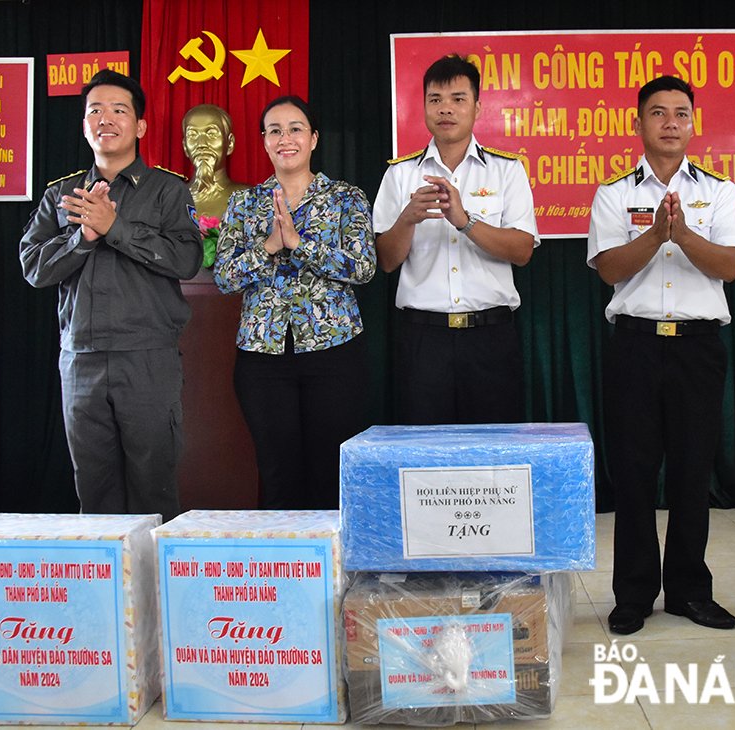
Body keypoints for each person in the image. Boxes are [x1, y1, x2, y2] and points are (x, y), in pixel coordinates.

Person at [586, 76, 735, 635]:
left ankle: (688, 591)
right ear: (638, 123)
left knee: (691, 472)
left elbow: (730, 266)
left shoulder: (719, 191)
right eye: (657, 113)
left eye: (680, 113)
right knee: (633, 474)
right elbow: (609, 269)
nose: (669, 123)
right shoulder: (614, 194)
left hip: (697, 349)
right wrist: (656, 234)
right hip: (634, 346)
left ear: (692, 124)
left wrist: (680, 234)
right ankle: (633, 594)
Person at [20, 69, 203, 520]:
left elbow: (186, 261)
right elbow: (33, 268)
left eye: (119, 110)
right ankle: (108, 590)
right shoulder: (61, 194)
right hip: (81, 359)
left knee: (153, 487)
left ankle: (153, 592)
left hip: (147, 358)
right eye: (95, 111)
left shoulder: (167, 189)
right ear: (84, 126)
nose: (106, 119)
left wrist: (114, 227)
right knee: (94, 492)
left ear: (139, 126)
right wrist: (82, 238)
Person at [213, 95, 376, 509]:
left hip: (334, 354)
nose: (286, 138)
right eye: (275, 131)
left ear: (314, 138)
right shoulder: (245, 203)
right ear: (265, 142)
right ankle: (283, 571)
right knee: (277, 472)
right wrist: (269, 246)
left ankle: (334, 571)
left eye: (296, 129)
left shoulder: (345, 198)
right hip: (263, 359)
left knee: (330, 472)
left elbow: (363, 268)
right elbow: (224, 278)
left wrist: (300, 245)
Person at [373, 54, 539, 425]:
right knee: (425, 453)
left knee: (493, 454)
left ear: (478, 107)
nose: (446, 109)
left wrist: (465, 222)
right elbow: (385, 260)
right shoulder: (400, 175)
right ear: (424, 107)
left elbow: (522, 250)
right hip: (423, 339)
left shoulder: (507, 171)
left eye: (458, 99)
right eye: (436, 100)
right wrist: (407, 220)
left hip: (490, 338)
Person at [182, 103, 249, 220]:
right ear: (185, 147)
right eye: (192, 135)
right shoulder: (170, 199)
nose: (201, 144)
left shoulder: (247, 198)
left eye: (211, 134)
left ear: (230, 144)